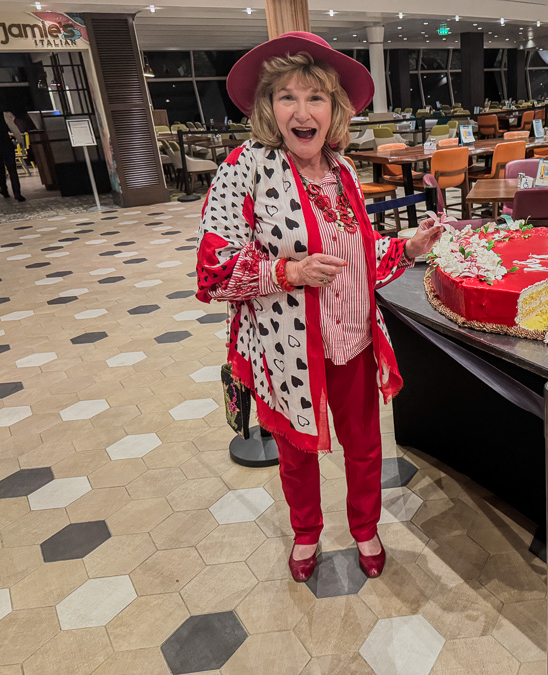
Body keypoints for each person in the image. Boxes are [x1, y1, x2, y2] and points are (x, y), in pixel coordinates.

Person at [195, 32, 443, 582]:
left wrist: (408, 247)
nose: (302, 112)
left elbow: (357, 257)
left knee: (365, 446)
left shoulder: (343, 170)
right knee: (295, 452)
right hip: (286, 345)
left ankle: (365, 528)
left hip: (353, 336)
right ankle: (306, 533)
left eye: (316, 98)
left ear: (335, 110)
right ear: (269, 106)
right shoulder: (245, 168)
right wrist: (288, 272)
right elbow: (213, 269)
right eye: (287, 96)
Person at [0, 96, 25, 202]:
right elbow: (13, 128)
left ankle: (4, 190)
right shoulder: (4, 115)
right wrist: (20, 140)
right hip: (6, 143)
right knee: (12, 169)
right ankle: (17, 193)